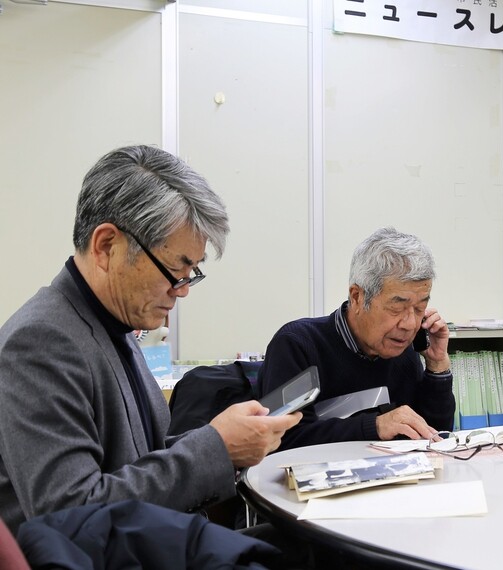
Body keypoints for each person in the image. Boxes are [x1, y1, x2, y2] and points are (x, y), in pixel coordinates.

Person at [0, 145, 301, 535]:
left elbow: (137, 456)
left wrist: (224, 441)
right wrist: (216, 448)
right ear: (107, 246)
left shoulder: (111, 324)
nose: (183, 290)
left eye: (192, 271)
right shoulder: (40, 342)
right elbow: (71, 515)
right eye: (176, 269)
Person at [258, 227, 455, 450]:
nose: (410, 324)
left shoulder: (403, 352)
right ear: (357, 297)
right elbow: (282, 441)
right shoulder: (297, 345)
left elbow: (435, 439)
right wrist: (375, 427)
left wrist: (437, 366)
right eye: (397, 307)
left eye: (420, 308)